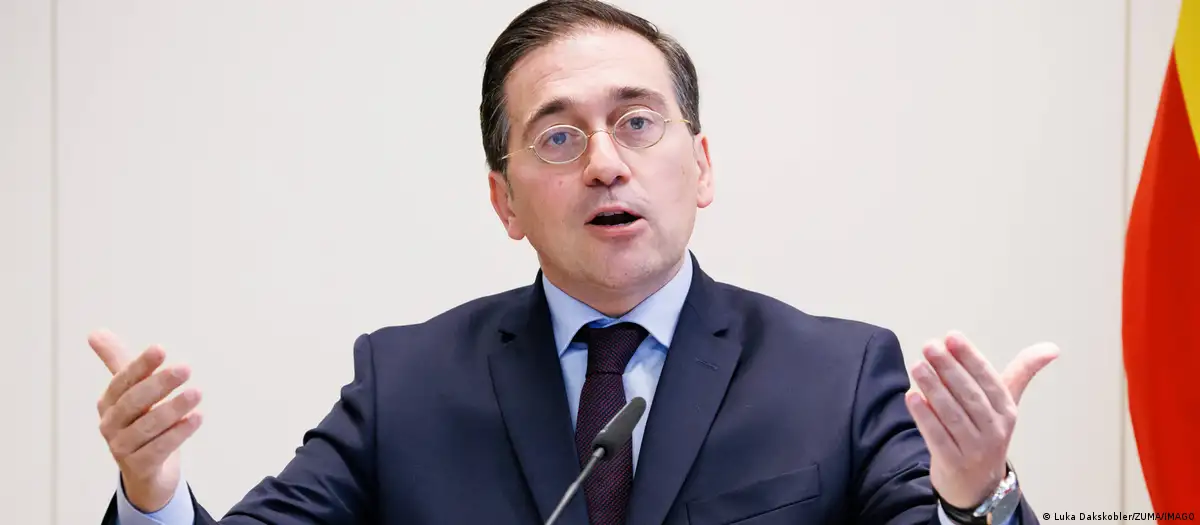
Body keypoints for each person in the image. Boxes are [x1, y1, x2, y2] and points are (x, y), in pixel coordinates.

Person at [93, 1, 1059, 523]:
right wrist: (154, 495)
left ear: (702, 165)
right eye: (558, 138)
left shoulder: (836, 373)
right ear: (505, 201)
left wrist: (974, 497)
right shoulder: (405, 384)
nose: (604, 162)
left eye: (637, 122)